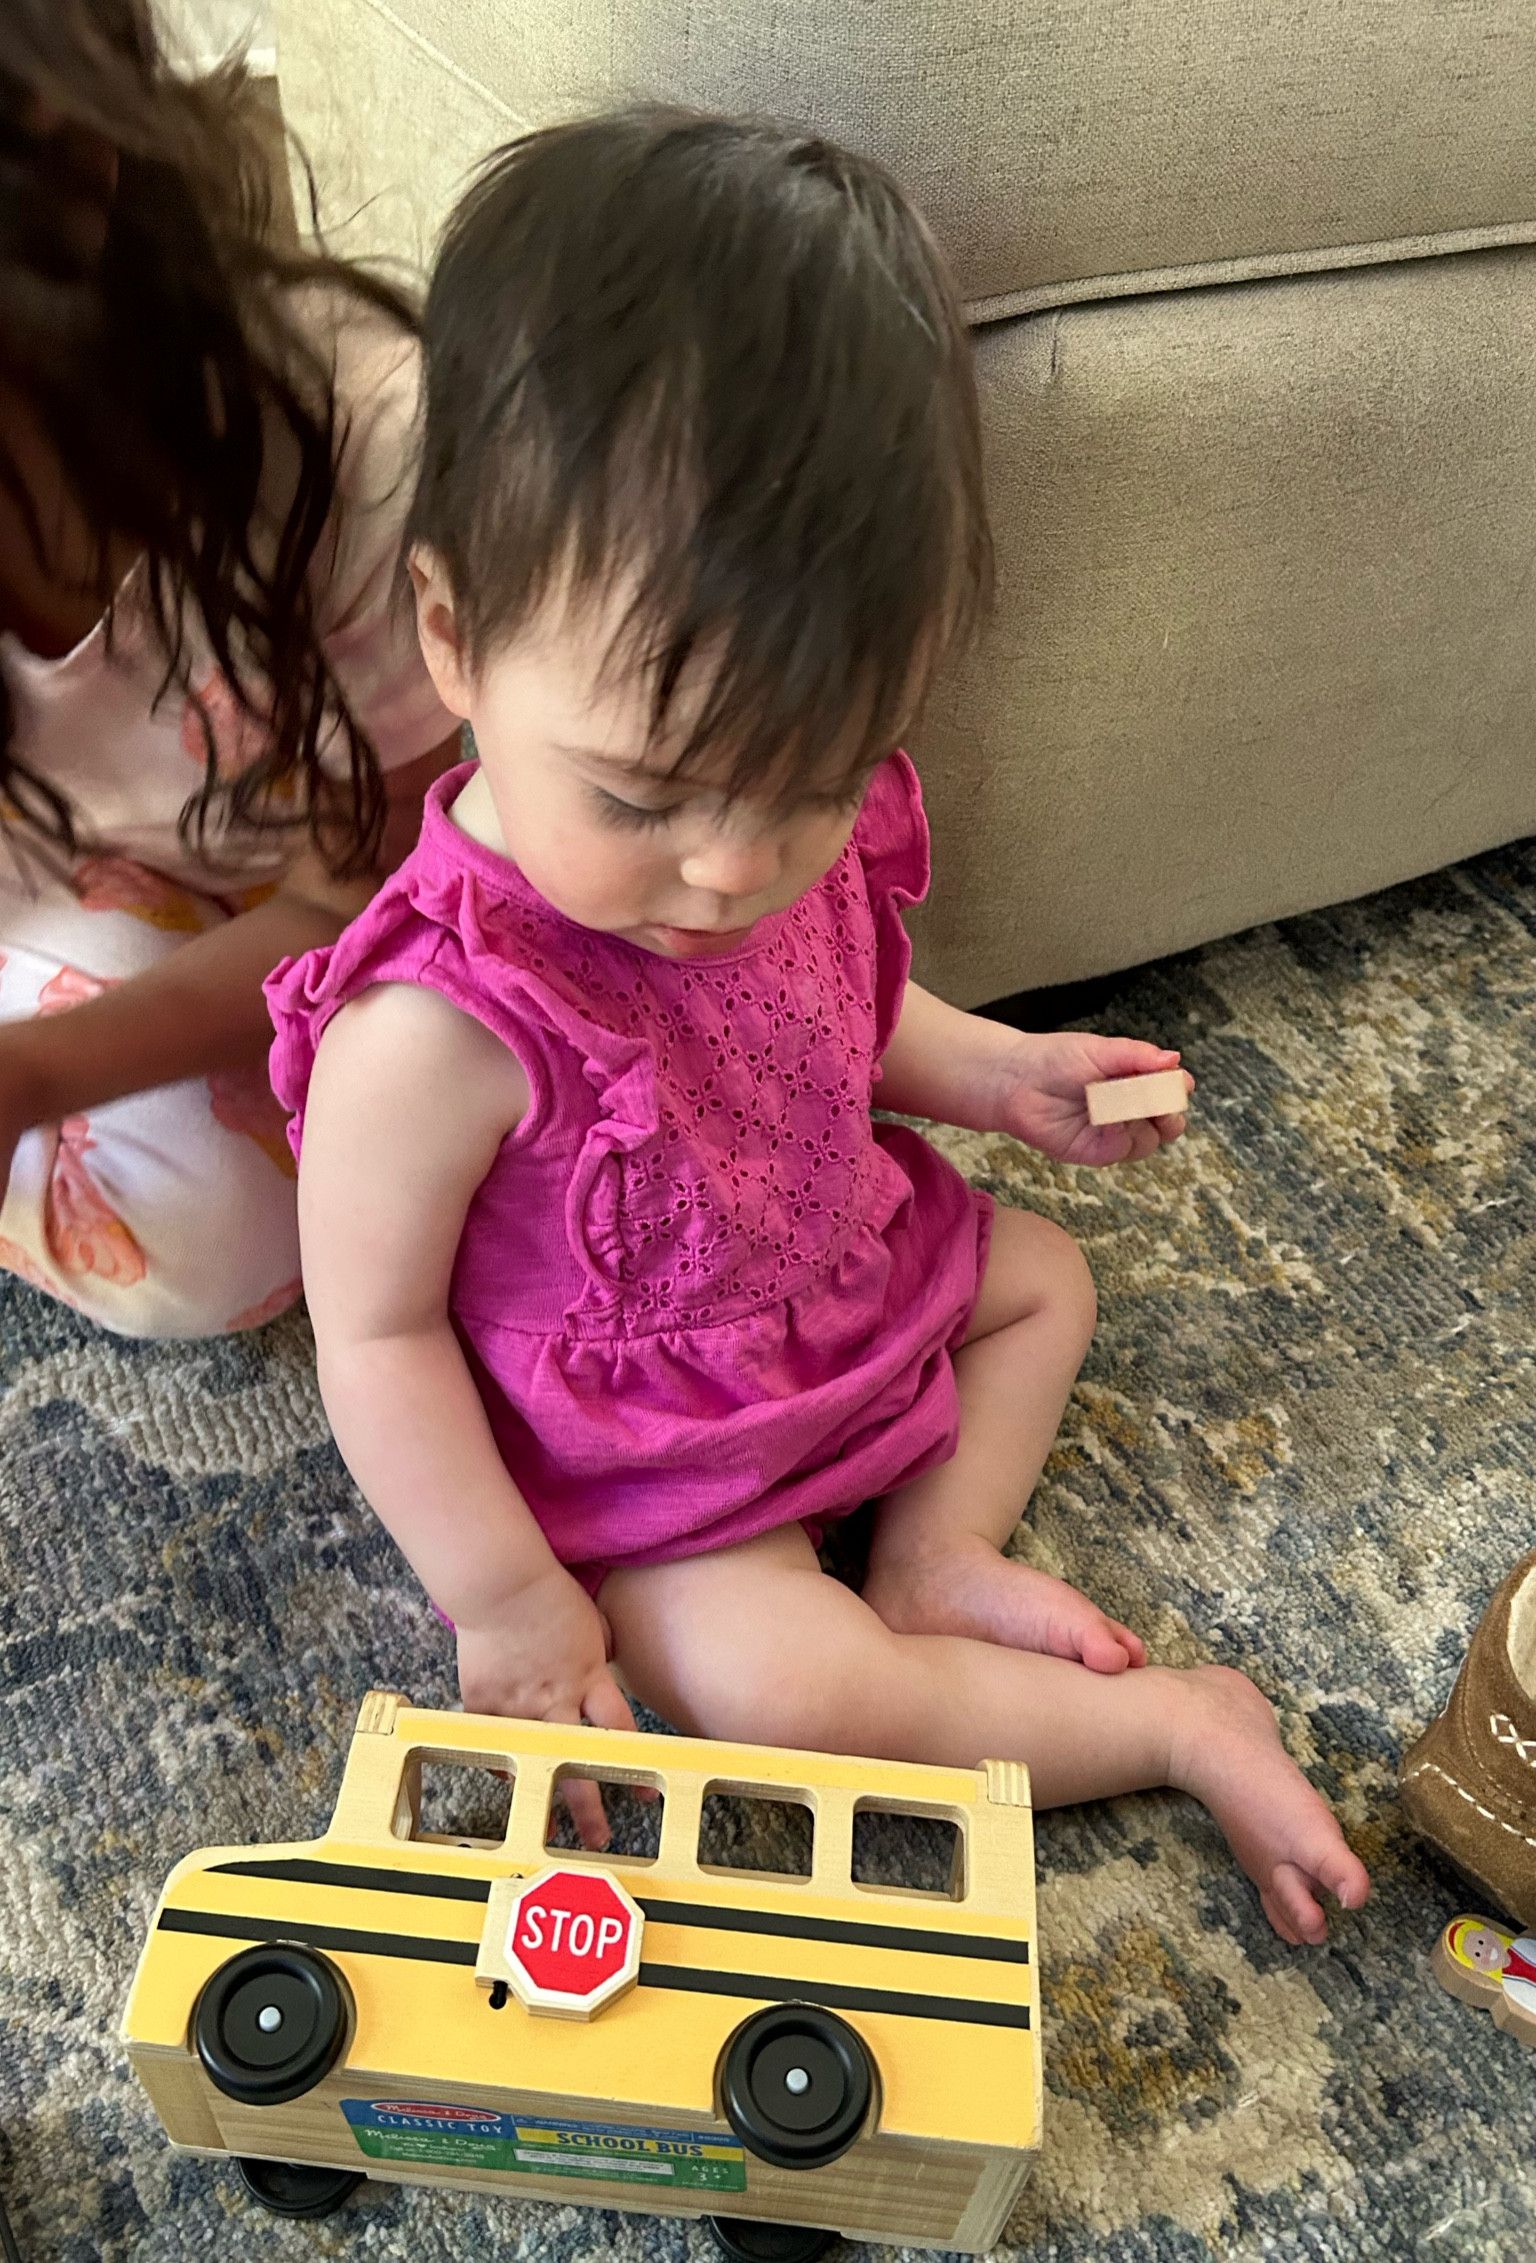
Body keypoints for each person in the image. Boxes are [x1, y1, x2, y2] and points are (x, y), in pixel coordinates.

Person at [270, 109, 1370, 1945]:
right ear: (452, 637)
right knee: (784, 1696)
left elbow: (833, 1024)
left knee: (1045, 1280)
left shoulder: (766, 847)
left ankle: (936, 1552)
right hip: (648, 1458)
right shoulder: (433, 1029)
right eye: (640, 796)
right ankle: (1173, 1727)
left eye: (812, 785)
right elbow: (374, 1336)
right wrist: (510, 1598)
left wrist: (998, 1074)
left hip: (826, 1278)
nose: (730, 867)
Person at [0, 0, 459, 1336]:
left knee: (234, 1222)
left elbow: (356, 899)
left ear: (72, 158)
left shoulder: (350, 440)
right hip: (51, 868)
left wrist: (35, 1076)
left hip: (254, 907)